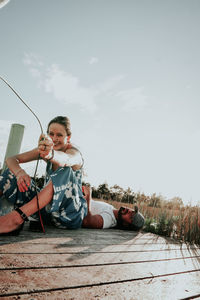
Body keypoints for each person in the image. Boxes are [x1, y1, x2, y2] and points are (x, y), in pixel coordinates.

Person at [0, 116, 87, 235]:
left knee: (65, 169)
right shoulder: (45, 149)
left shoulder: (74, 153)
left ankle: (15, 218)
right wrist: (20, 173)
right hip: (46, 213)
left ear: (68, 137)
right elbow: (11, 159)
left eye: (59, 135)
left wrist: (50, 154)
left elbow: (66, 159)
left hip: (69, 217)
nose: (55, 139)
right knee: (10, 174)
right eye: (51, 134)